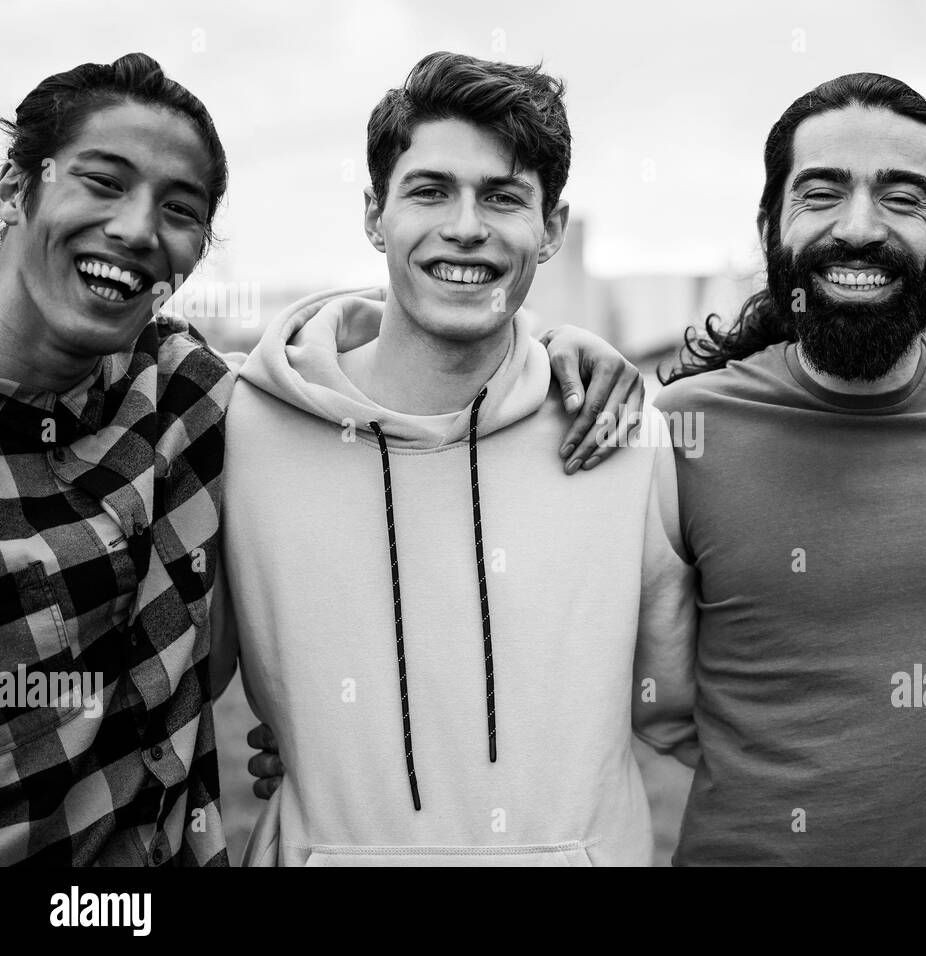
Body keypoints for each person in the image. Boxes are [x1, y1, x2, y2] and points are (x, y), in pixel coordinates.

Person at [0, 52, 640, 867]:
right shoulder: (230, 409)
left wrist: (542, 352)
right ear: (16, 187)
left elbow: (422, 356)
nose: (134, 227)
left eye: (179, 207)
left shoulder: (188, 397)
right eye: (101, 181)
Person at [213, 52, 693, 867]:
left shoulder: (616, 433)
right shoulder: (243, 424)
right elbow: (178, 687)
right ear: (375, 215)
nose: (466, 225)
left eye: (503, 197)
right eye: (430, 190)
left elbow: (683, 707)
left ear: (552, 230)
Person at [636, 72, 926, 865]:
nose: (860, 229)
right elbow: (659, 701)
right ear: (770, 224)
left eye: (904, 197)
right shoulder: (677, 432)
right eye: (823, 193)